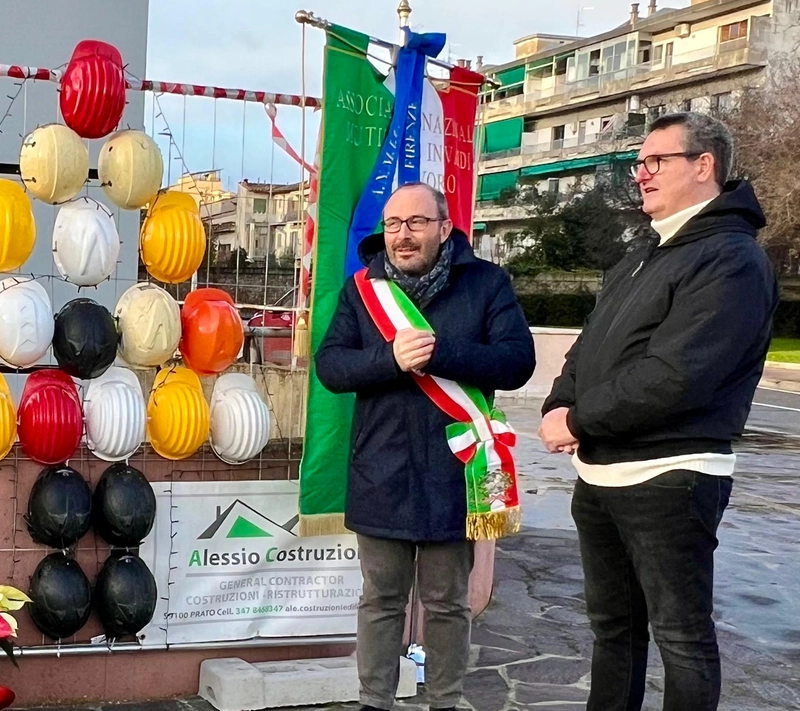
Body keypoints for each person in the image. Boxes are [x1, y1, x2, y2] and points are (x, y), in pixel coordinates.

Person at [539, 112, 776, 711]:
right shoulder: (645, 254)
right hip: (600, 476)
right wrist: (558, 402)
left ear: (704, 166)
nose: (640, 175)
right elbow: (589, 345)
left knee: (682, 638)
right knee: (612, 630)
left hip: (670, 477)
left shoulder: (732, 259)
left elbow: (678, 375)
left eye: (655, 161)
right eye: (638, 164)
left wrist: (580, 420)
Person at [315, 182, 536, 711]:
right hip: (381, 468)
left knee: (446, 604)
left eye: (416, 223)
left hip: (455, 472)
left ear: (444, 228)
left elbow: (517, 361)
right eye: (393, 225)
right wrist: (390, 360)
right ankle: (374, 702)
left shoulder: (486, 283)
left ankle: (444, 701)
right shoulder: (361, 289)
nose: (402, 236)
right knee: (381, 601)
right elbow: (331, 367)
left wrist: (442, 353)